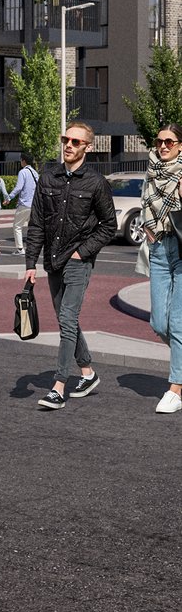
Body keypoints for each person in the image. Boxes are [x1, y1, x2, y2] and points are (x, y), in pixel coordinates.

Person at [26, 121, 118, 411]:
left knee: (67, 319)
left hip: (78, 262)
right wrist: (31, 264)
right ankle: (88, 373)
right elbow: (37, 224)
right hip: (52, 261)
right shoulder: (47, 178)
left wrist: (83, 253)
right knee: (67, 320)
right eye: (66, 139)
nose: (68, 145)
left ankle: (59, 386)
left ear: (87, 147)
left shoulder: (96, 183)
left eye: (76, 142)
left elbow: (109, 226)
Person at [140, 126, 182, 414]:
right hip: (157, 250)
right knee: (158, 324)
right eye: (159, 141)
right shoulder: (151, 170)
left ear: (180, 145)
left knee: (178, 323)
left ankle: (175, 389)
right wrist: (146, 224)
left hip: (181, 251)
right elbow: (145, 204)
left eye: (169, 141)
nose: (163, 145)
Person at [9, 152, 39, 255]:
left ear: (24, 161)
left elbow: (19, 187)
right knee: (32, 228)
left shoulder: (23, 172)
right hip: (34, 204)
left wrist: (9, 197)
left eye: (21, 160)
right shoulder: (35, 173)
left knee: (17, 226)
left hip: (24, 204)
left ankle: (20, 249)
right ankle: (32, 248)